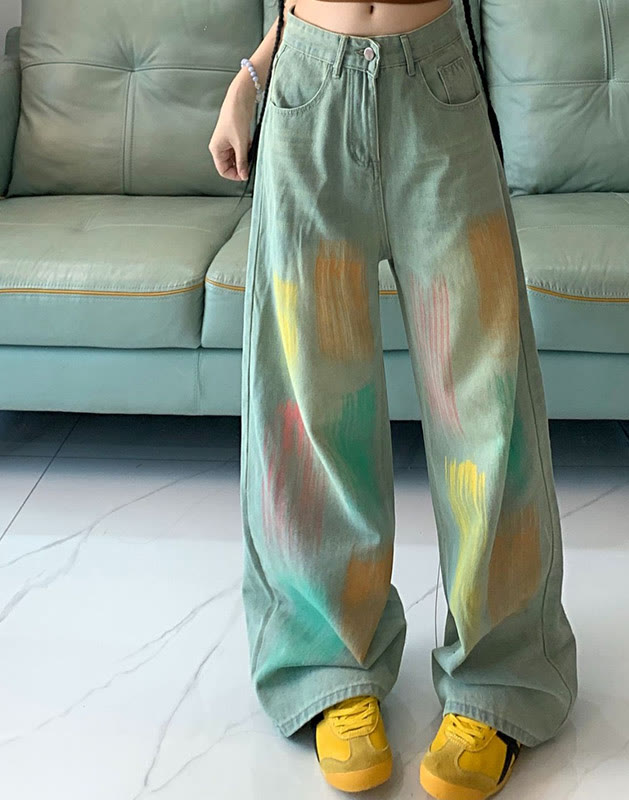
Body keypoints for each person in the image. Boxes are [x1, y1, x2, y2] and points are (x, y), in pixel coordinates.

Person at [208, 1, 577, 797]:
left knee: (487, 402)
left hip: (436, 83)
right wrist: (251, 77)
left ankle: (500, 678)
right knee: (310, 404)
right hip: (305, 85)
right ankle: (328, 667)